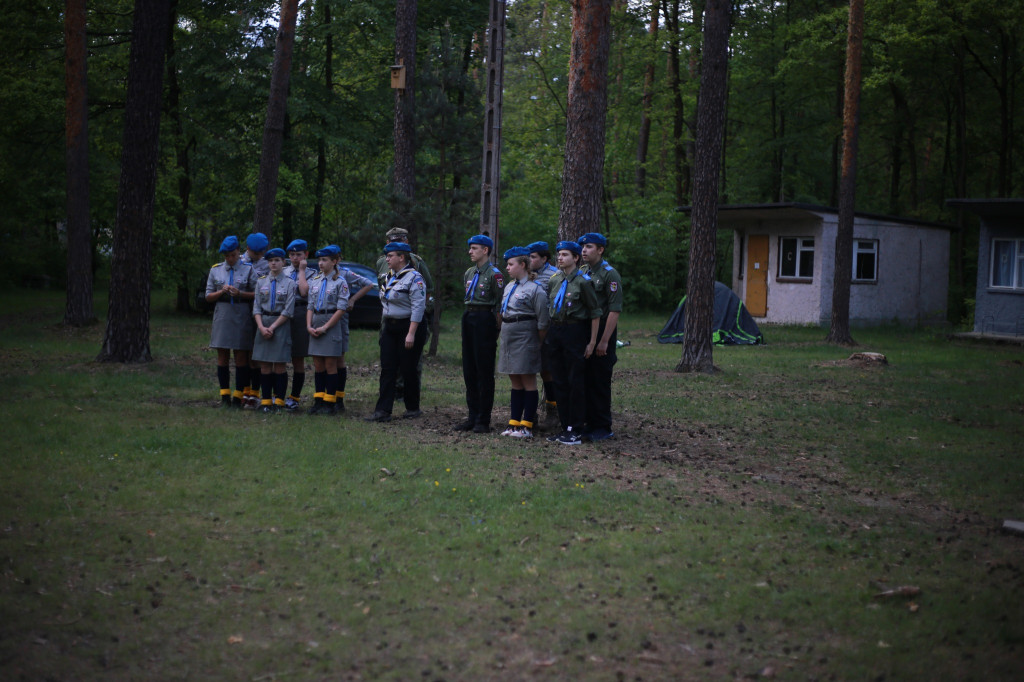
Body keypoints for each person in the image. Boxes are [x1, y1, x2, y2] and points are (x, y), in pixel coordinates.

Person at [543, 240, 601, 445]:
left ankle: (576, 428)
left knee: (575, 381)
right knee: (558, 380)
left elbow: (595, 313)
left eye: (565, 254)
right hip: (556, 329)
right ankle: (564, 425)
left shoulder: (583, 282)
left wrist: (592, 342)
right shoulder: (554, 279)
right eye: (558, 254)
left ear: (576, 258)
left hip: (575, 330)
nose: (560, 258)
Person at [365, 242, 428, 422]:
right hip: (390, 326)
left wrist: (411, 333)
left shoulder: (414, 278)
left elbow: (418, 307)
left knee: (408, 368)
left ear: (401, 257)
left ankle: (412, 407)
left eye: (390, 256)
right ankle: (383, 411)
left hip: (409, 326)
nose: (387, 259)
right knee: (388, 368)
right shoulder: (389, 276)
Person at [497, 246, 549, 439]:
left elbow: (543, 321)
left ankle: (527, 425)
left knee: (527, 380)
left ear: (523, 265)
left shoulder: (536, 290)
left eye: (511, 264)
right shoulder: (510, 286)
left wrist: (537, 342)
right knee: (514, 379)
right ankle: (514, 422)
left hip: (526, 337)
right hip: (509, 336)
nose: (507, 268)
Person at [454, 234, 504, 433]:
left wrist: (496, 328)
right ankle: (472, 416)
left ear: (485, 250)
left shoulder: (495, 274)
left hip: (485, 319)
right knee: (469, 369)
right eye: (470, 248)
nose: (470, 252)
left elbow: (500, 304)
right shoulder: (469, 273)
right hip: (469, 316)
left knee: (484, 370)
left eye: (474, 248)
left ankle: (483, 419)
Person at [578, 232, 623, 440]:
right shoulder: (583, 271)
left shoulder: (609, 274)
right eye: (583, 247)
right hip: (586, 329)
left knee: (600, 380)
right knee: (586, 378)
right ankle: (588, 422)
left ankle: (603, 426)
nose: (584, 251)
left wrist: (604, 340)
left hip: (604, 329)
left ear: (600, 250)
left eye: (589, 247)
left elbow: (614, 310)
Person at [204, 236, 258, 407]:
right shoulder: (216, 270)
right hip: (223, 315)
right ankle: (224, 395)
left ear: (239, 252)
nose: (230, 259)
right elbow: (207, 296)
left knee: (241, 356)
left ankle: (238, 395)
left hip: (241, 314)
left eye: (233, 255)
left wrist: (240, 293)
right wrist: (221, 291)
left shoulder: (249, 269)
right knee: (222, 356)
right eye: (227, 256)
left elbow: (258, 294)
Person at [251, 248, 297, 413]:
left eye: (277, 260)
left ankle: (279, 401)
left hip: (280, 324)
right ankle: (265, 401)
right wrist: (262, 327)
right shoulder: (261, 281)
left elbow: (288, 309)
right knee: (264, 365)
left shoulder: (290, 283)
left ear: (283, 262)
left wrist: (272, 327)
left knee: (279, 365)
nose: (273, 263)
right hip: (263, 323)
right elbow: (256, 307)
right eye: (271, 261)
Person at [305, 246, 350, 415]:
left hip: (330, 323)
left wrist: (325, 327)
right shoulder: (315, 280)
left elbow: (341, 308)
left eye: (324, 260)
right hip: (315, 322)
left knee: (331, 364)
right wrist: (309, 325)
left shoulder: (340, 282)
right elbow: (310, 305)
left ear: (335, 261)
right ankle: (318, 400)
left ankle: (330, 402)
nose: (320, 263)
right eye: (319, 260)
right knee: (318, 365)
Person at [332, 246, 376, 412]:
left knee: (339, 358)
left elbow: (368, 284)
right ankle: (326, 395)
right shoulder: (320, 274)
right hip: (324, 318)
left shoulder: (345, 274)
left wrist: (353, 299)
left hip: (341, 318)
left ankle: (339, 398)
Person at [528, 240, 560, 422]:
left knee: (547, 370)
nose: (530, 260)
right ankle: (529, 411)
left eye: (533, 257)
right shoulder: (524, 273)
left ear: (544, 258)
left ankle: (552, 407)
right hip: (527, 328)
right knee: (526, 369)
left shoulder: (554, 275)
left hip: (546, 328)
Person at [283, 239, 317, 411]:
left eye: (299, 254)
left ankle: (294, 397)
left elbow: (304, 292)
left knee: (298, 358)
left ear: (306, 255)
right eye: (292, 255)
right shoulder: (282, 271)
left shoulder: (311, 273)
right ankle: (277, 395)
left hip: (300, 313)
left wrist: (302, 271)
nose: (295, 258)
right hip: (283, 315)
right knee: (279, 356)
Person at [240, 232, 270, 407]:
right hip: (240, 311)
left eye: (261, 253)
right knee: (242, 354)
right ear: (248, 249)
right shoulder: (239, 261)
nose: (258, 257)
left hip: (258, 312)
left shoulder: (268, 264)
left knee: (255, 355)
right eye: (255, 253)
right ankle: (244, 391)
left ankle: (255, 393)